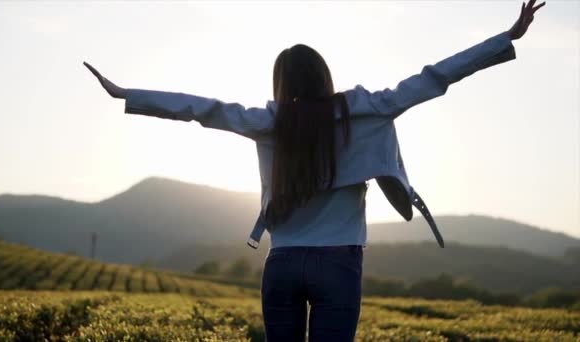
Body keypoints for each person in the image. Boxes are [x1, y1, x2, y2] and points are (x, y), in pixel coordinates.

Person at [84, 1, 544, 340]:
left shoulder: (270, 122)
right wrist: (506, 38)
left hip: (281, 264)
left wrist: (129, 95)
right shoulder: (365, 110)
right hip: (338, 263)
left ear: (280, 84)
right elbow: (434, 76)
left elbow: (205, 110)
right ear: (324, 77)